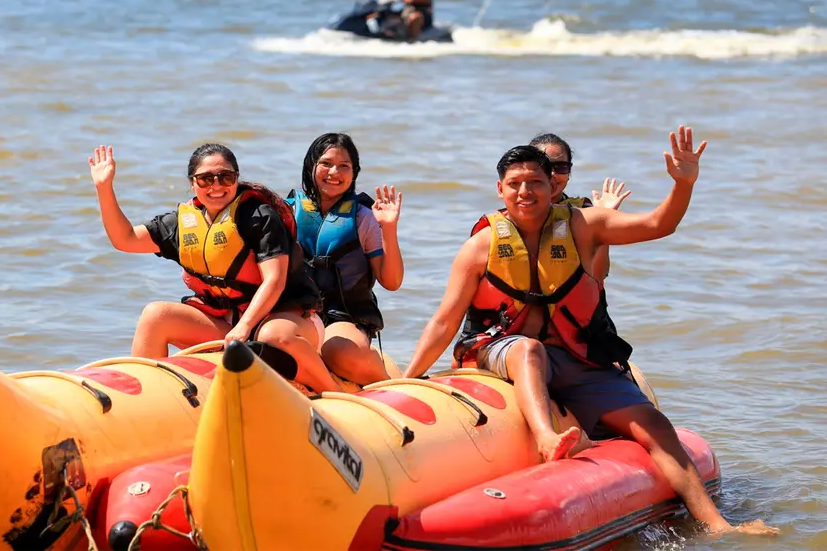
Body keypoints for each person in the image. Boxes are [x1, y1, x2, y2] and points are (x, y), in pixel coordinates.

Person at [402, 127, 777, 536]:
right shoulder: (482, 244)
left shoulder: (583, 224)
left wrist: (683, 185)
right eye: (515, 184)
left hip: (576, 357)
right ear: (500, 190)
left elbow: (658, 224)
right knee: (529, 350)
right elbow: (445, 320)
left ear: (553, 187)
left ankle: (717, 524)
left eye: (536, 183)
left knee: (655, 426)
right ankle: (547, 438)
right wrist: (405, 380)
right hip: (503, 352)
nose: (525, 192)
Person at [88, 142, 342, 393]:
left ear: (236, 178)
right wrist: (104, 188)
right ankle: (150, 397)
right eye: (206, 179)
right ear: (193, 182)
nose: (217, 185)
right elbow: (126, 239)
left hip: (287, 322)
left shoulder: (258, 216)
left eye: (225, 177)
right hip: (228, 324)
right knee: (155, 316)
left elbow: (274, 279)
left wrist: (245, 327)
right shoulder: (181, 223)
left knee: (271, 335)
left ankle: (335, 392)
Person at [286, 133, 404, 386]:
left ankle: (388, 387)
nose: (334, 172)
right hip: (298, 310)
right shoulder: (287, 211)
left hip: (344, 316)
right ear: (311, 166)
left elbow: (391, 281)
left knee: (338, 350)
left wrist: (389, 230)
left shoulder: (364, 218)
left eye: (344, 166)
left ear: (354, 173)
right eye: (326, 163)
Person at [531, 133, 632, 280]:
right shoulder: (516, 211)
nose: (552, 174)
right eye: (544, 166)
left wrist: (602, 219)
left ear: (569, 172)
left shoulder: (583, 212)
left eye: (561, 167)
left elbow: (598, 274)